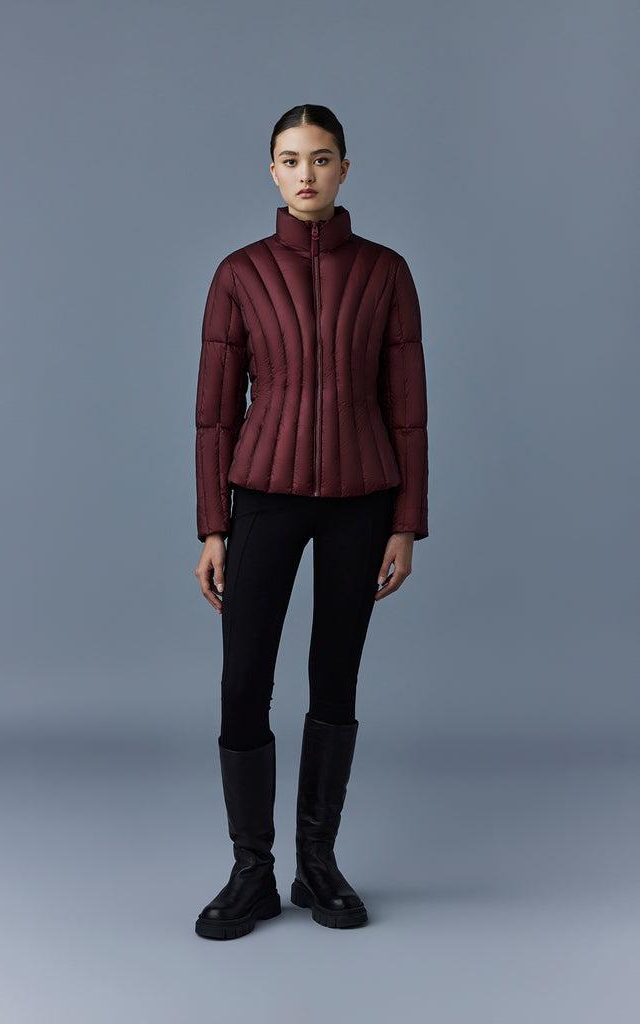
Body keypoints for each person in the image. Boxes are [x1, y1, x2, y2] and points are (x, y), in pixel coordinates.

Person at [193, 104, 428, 940]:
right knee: (242, 681)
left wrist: (405, 523)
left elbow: (408, 412)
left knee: (335, 678)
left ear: (343, 169)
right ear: (271, 170)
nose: (305, 174)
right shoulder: (239, 273)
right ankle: (250, 871)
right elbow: (214, 417)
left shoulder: (386, 271)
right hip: (262, 498)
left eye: (321, 158)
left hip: (362, 502)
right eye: (290, 159)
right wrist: (211, 528)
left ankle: (316, 865)